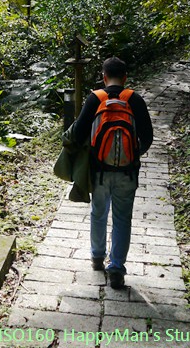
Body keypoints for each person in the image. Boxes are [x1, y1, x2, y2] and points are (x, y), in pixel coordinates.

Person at [64, 56, 153, 289]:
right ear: (125, 78)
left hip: (99, 172)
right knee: (123, 218)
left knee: (98, 212)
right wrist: (131, 155)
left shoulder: (96, 98)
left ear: (104, 77)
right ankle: (116, 269)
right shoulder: (135, 100)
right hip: (127, 173)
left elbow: (78, 132)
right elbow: (148, 138)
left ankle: (96, 257)